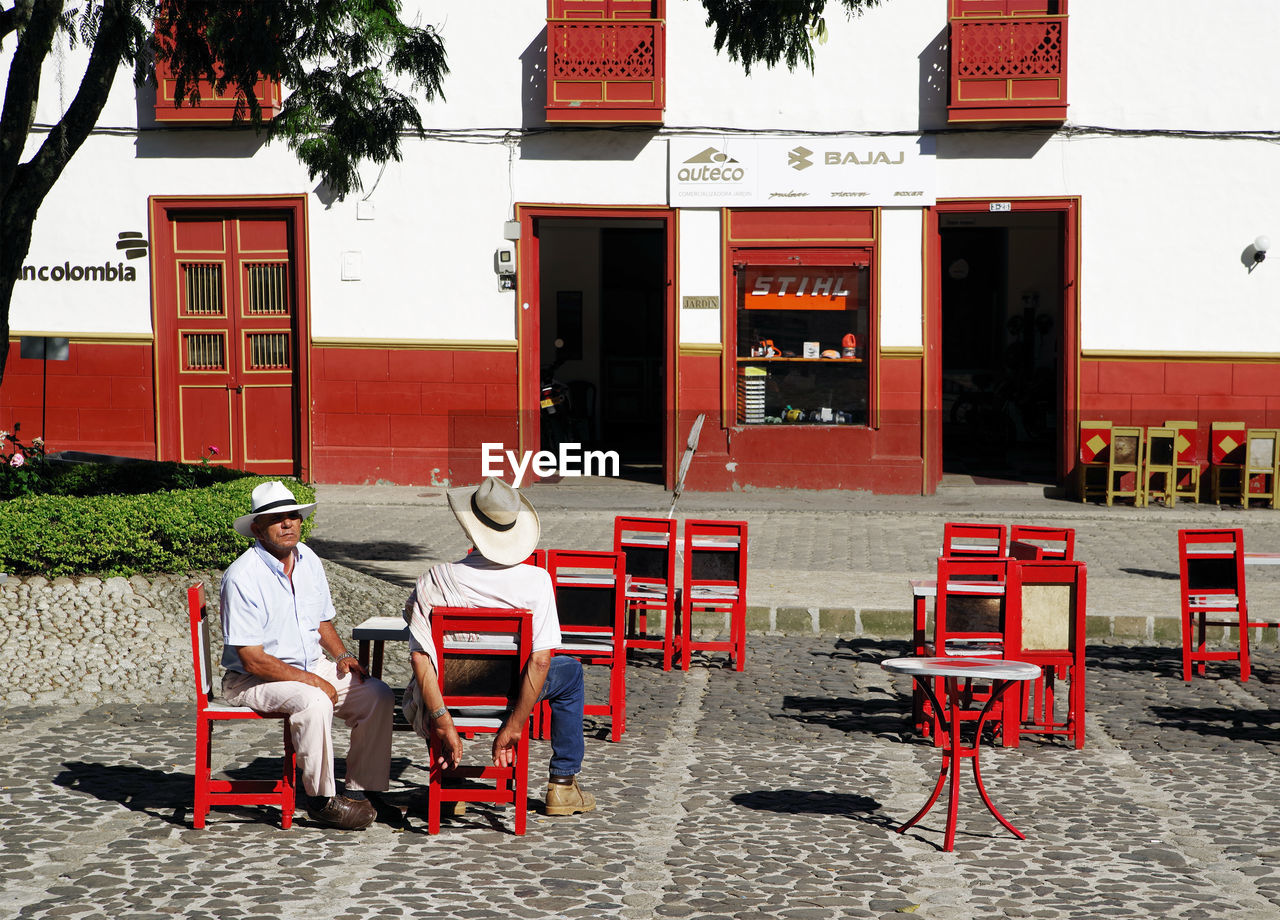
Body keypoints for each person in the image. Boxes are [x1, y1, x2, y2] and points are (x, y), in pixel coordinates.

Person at [402, 476, 596, 816]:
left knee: (431, 675)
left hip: (450, 691)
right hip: (512, 691)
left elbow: (421, 657)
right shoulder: (537, 581)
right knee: (572, 672)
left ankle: (449, 781)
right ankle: (562, 785)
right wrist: (515, 725)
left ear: (470, 529)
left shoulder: (435, 579)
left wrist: (443, 721)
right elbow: (540, 662)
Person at [220, 480, 394, 830]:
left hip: (309, 667)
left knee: (378, 694)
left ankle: (362, 790)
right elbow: (252, 659)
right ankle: (321, 799)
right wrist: (313, 680)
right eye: (276, 519)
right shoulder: (242, 576)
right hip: (252, 679)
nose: (287, 524)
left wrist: (342, 654)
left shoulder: (309, 558)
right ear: (257, 528)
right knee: (314, 701)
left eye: (293, 516)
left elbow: (321, 620)